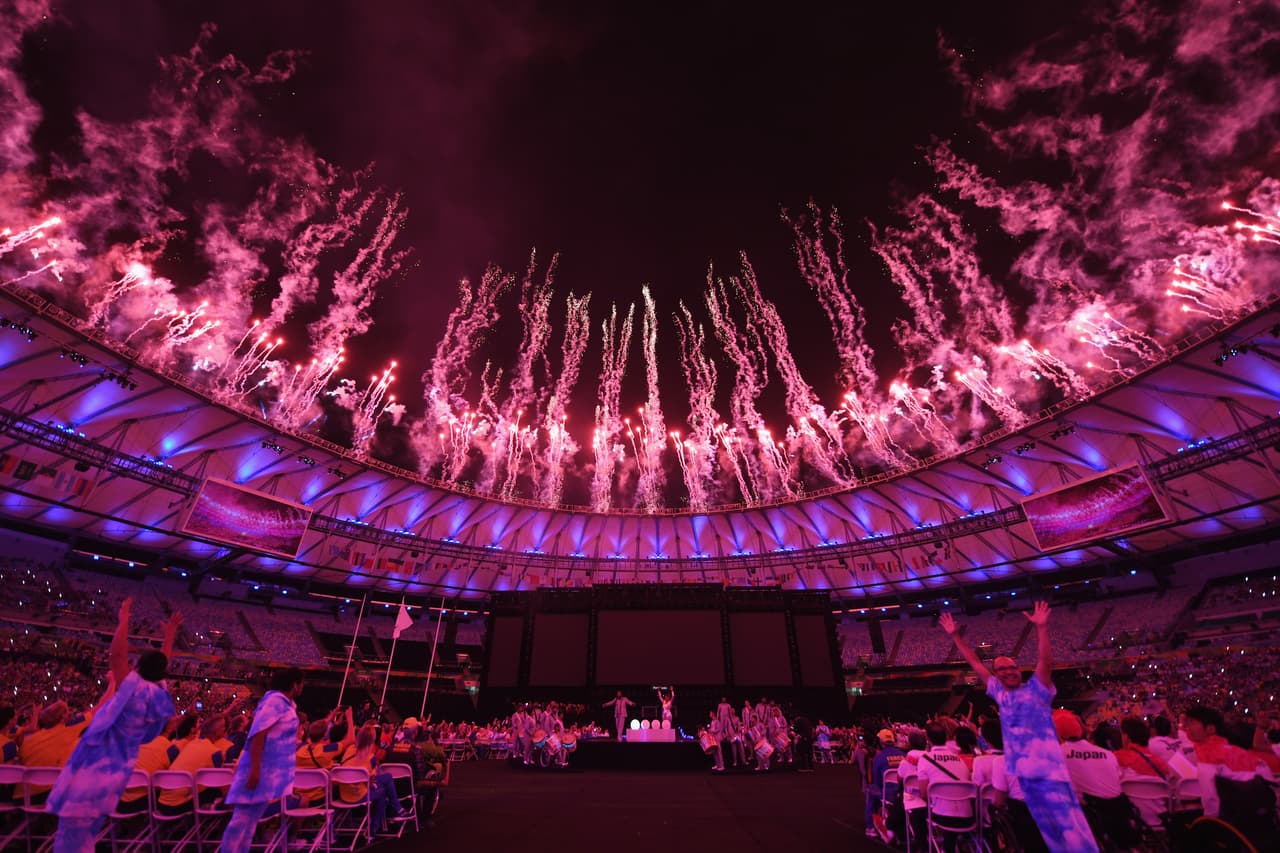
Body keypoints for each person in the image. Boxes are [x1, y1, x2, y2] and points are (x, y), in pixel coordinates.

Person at [941, 602, 1098, 853]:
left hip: (1051, 775)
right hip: (1022, 782)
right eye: (1001, 669)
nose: (1008, 671)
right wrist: (956, 637)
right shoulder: (999, 693)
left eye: (1012, 667)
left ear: (1019, 670)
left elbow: (1046, 662)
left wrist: (1042, 628)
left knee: (1071, 837)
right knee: (1036, 840)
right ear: (996, 675)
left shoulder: (1037, 690)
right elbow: (974, 663)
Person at [46, 598, 182, 853]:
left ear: (138, 668)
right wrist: (170, 634)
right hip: (115, 769)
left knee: (71, 836)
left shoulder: (136, 691)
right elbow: (159, 665)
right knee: (85, 834)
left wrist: (123, 621)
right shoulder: (156, 693)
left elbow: (117, 655)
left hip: (96, 767)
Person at [220, 668, 305, 853]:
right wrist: (255, 770)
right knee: (240, 822)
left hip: (270, 774)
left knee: (249, 825)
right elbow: (258, 734)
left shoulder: (287, 704)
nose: (303, 686)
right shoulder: (274, 701)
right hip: (259, 770)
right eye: (301, 682)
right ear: (294, 684)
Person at [916, 722, 972, 852]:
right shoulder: (959, 759)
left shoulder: (925, 759)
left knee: (917, 812)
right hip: (968, 818)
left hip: (942, 818)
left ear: (928, 739)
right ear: (946, 738)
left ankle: (923, 848)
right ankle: (948, 846)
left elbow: (924, 794)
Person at [866, 728, 905, 841]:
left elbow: (877, 781)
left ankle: (870, 827)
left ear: (880, 742)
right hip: (902, 793)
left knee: (870, 789)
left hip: (887, 793)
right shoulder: (903, 755)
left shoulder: (879, 757)